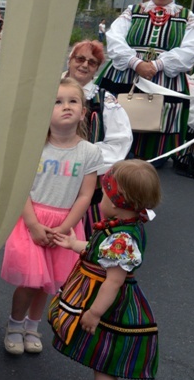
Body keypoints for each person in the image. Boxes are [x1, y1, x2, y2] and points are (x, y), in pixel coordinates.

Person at [49, 159, 161, 380]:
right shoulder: (122, 227)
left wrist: (95, 312)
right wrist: (73, 244)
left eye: (106, 194)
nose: (101, 198)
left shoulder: (121, 237)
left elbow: (113, 281)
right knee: (100, 356)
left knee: (105, 362)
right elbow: (100, 250)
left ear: (118, 201)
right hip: (104, 299)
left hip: (109, 306)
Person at [1, 78, 103, 356]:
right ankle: (14, 325)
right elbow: (20, 188)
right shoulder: (34, 146)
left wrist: (66, 228)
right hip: (31, 221)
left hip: (66, 226)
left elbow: (86, 195)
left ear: (84, 111)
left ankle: (32, 327)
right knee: (29, 281)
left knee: (47, 282)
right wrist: (33, 224)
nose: (65, 107)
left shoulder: (90, 152)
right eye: (57, 102)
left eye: (73, 101)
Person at [96, 0, 194, 164]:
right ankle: (114, 151)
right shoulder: (133, 10)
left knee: (157, 118)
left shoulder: (187, 16)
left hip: (165, 79)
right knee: (116, 112)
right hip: (126, 74)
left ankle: (150, 157)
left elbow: (191, 49)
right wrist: (135, 63)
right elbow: (114, 37)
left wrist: (158, 64)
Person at [63, 40, 132, 237]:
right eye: (80, 58)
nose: (84, 65)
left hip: (88, 180)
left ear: (96, 70)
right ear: (70, 60)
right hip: (49, 172)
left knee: (84, 242)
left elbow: (120, 143)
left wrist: (84, 163)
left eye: (92, 63)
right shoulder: (50, 90)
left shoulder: (105, 100)